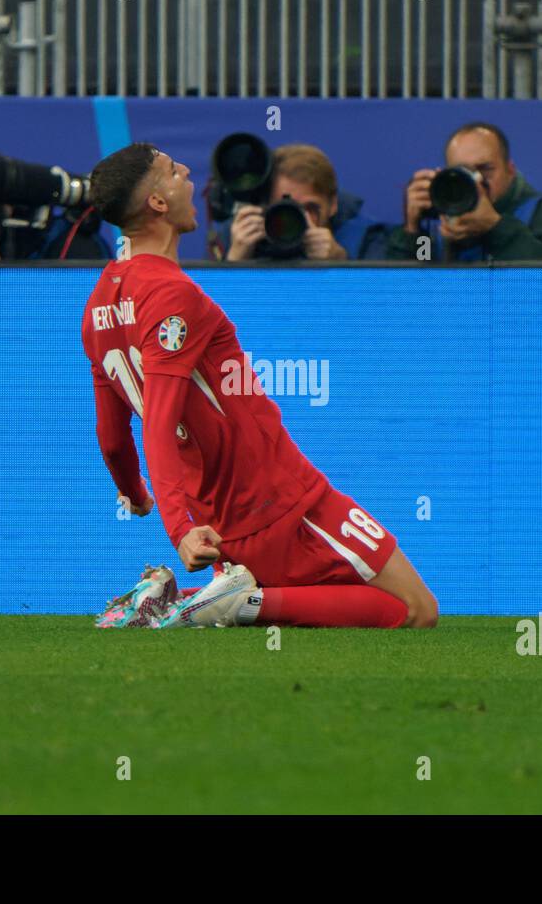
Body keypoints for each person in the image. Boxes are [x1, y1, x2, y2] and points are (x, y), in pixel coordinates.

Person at [82, 142, 438, 629]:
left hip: (224, 521)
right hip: (279, 499)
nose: (186, 170)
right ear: (158, 203)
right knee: (417, 610)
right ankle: (243, 604)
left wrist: (137, 493)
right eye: (170, 169)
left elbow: (111, 438)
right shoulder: (171, 292)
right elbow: (159, 425)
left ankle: (171, 598)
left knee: (332, 599)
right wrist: (180, 530)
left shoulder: (98, 303)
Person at [387, 121, 542, 262]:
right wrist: (412, 231)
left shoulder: (539, 212)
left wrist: (495, 227)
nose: (476, 181)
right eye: (463, 172)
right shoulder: (435, 221)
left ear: (510, 170)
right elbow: (406, 292)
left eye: (485, 169)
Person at [215, 143, 389, 261]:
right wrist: (233, 263)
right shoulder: (237, 236)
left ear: (333, 204)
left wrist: (341, 266)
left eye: (310, 208)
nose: (297, 218)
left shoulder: (367, 239)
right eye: (284, 208)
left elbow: (380, 310)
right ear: (264, 204)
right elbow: (201, 312)